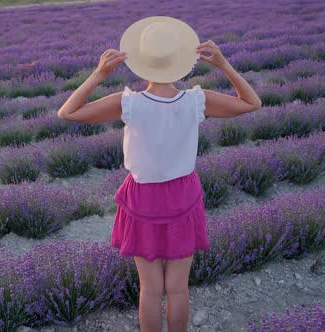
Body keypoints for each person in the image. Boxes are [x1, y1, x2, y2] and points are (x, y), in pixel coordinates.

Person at [57, 16, 261, 332]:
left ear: (141, 61)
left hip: (142, 198)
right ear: (181, 60)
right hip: (184, 195)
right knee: (178, 288)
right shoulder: (197, 100)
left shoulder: (130, 104)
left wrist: (98, 74)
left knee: (150, 289)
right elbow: (252, 102)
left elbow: (67, 112)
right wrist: (224, 65)